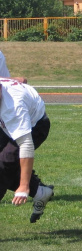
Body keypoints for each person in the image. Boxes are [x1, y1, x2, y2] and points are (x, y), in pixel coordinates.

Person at [0, 79, 54, 223]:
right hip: (5, 125)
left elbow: (26, 144)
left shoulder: (13, 107)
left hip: (35, 126)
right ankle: (40, 192)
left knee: (3, 166)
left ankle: (33, 188)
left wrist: (23, 186)